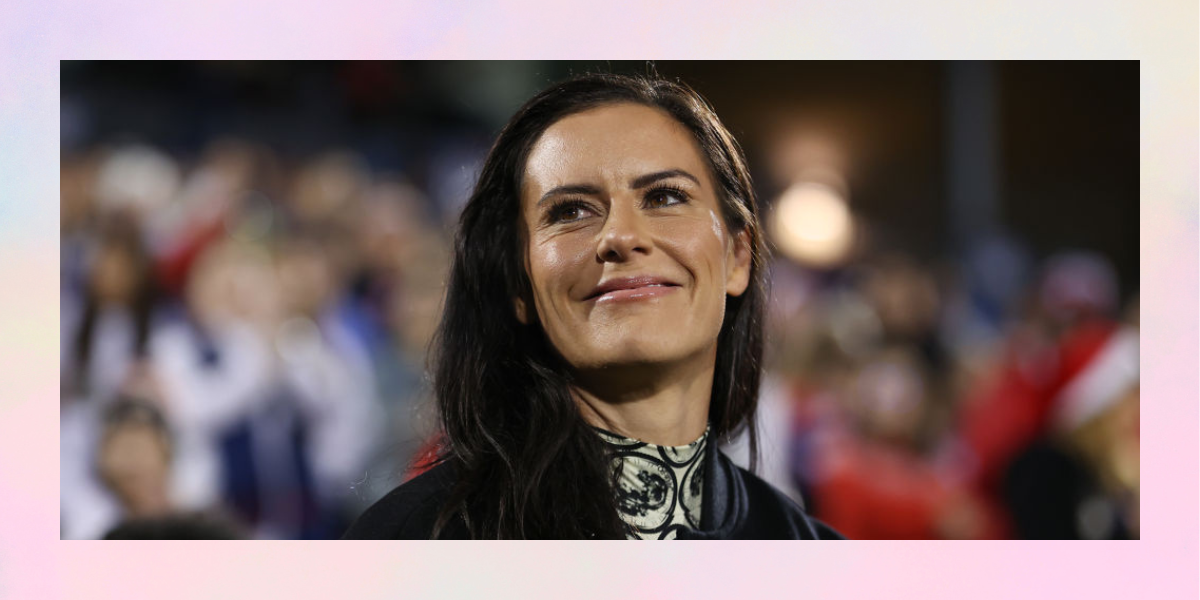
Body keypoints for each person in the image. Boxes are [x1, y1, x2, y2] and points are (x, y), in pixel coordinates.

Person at [343, 73, 843, 539]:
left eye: (665, 197)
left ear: (738, 256)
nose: (622, 236)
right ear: (518, 286)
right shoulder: (409, 540)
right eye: (571, 211)